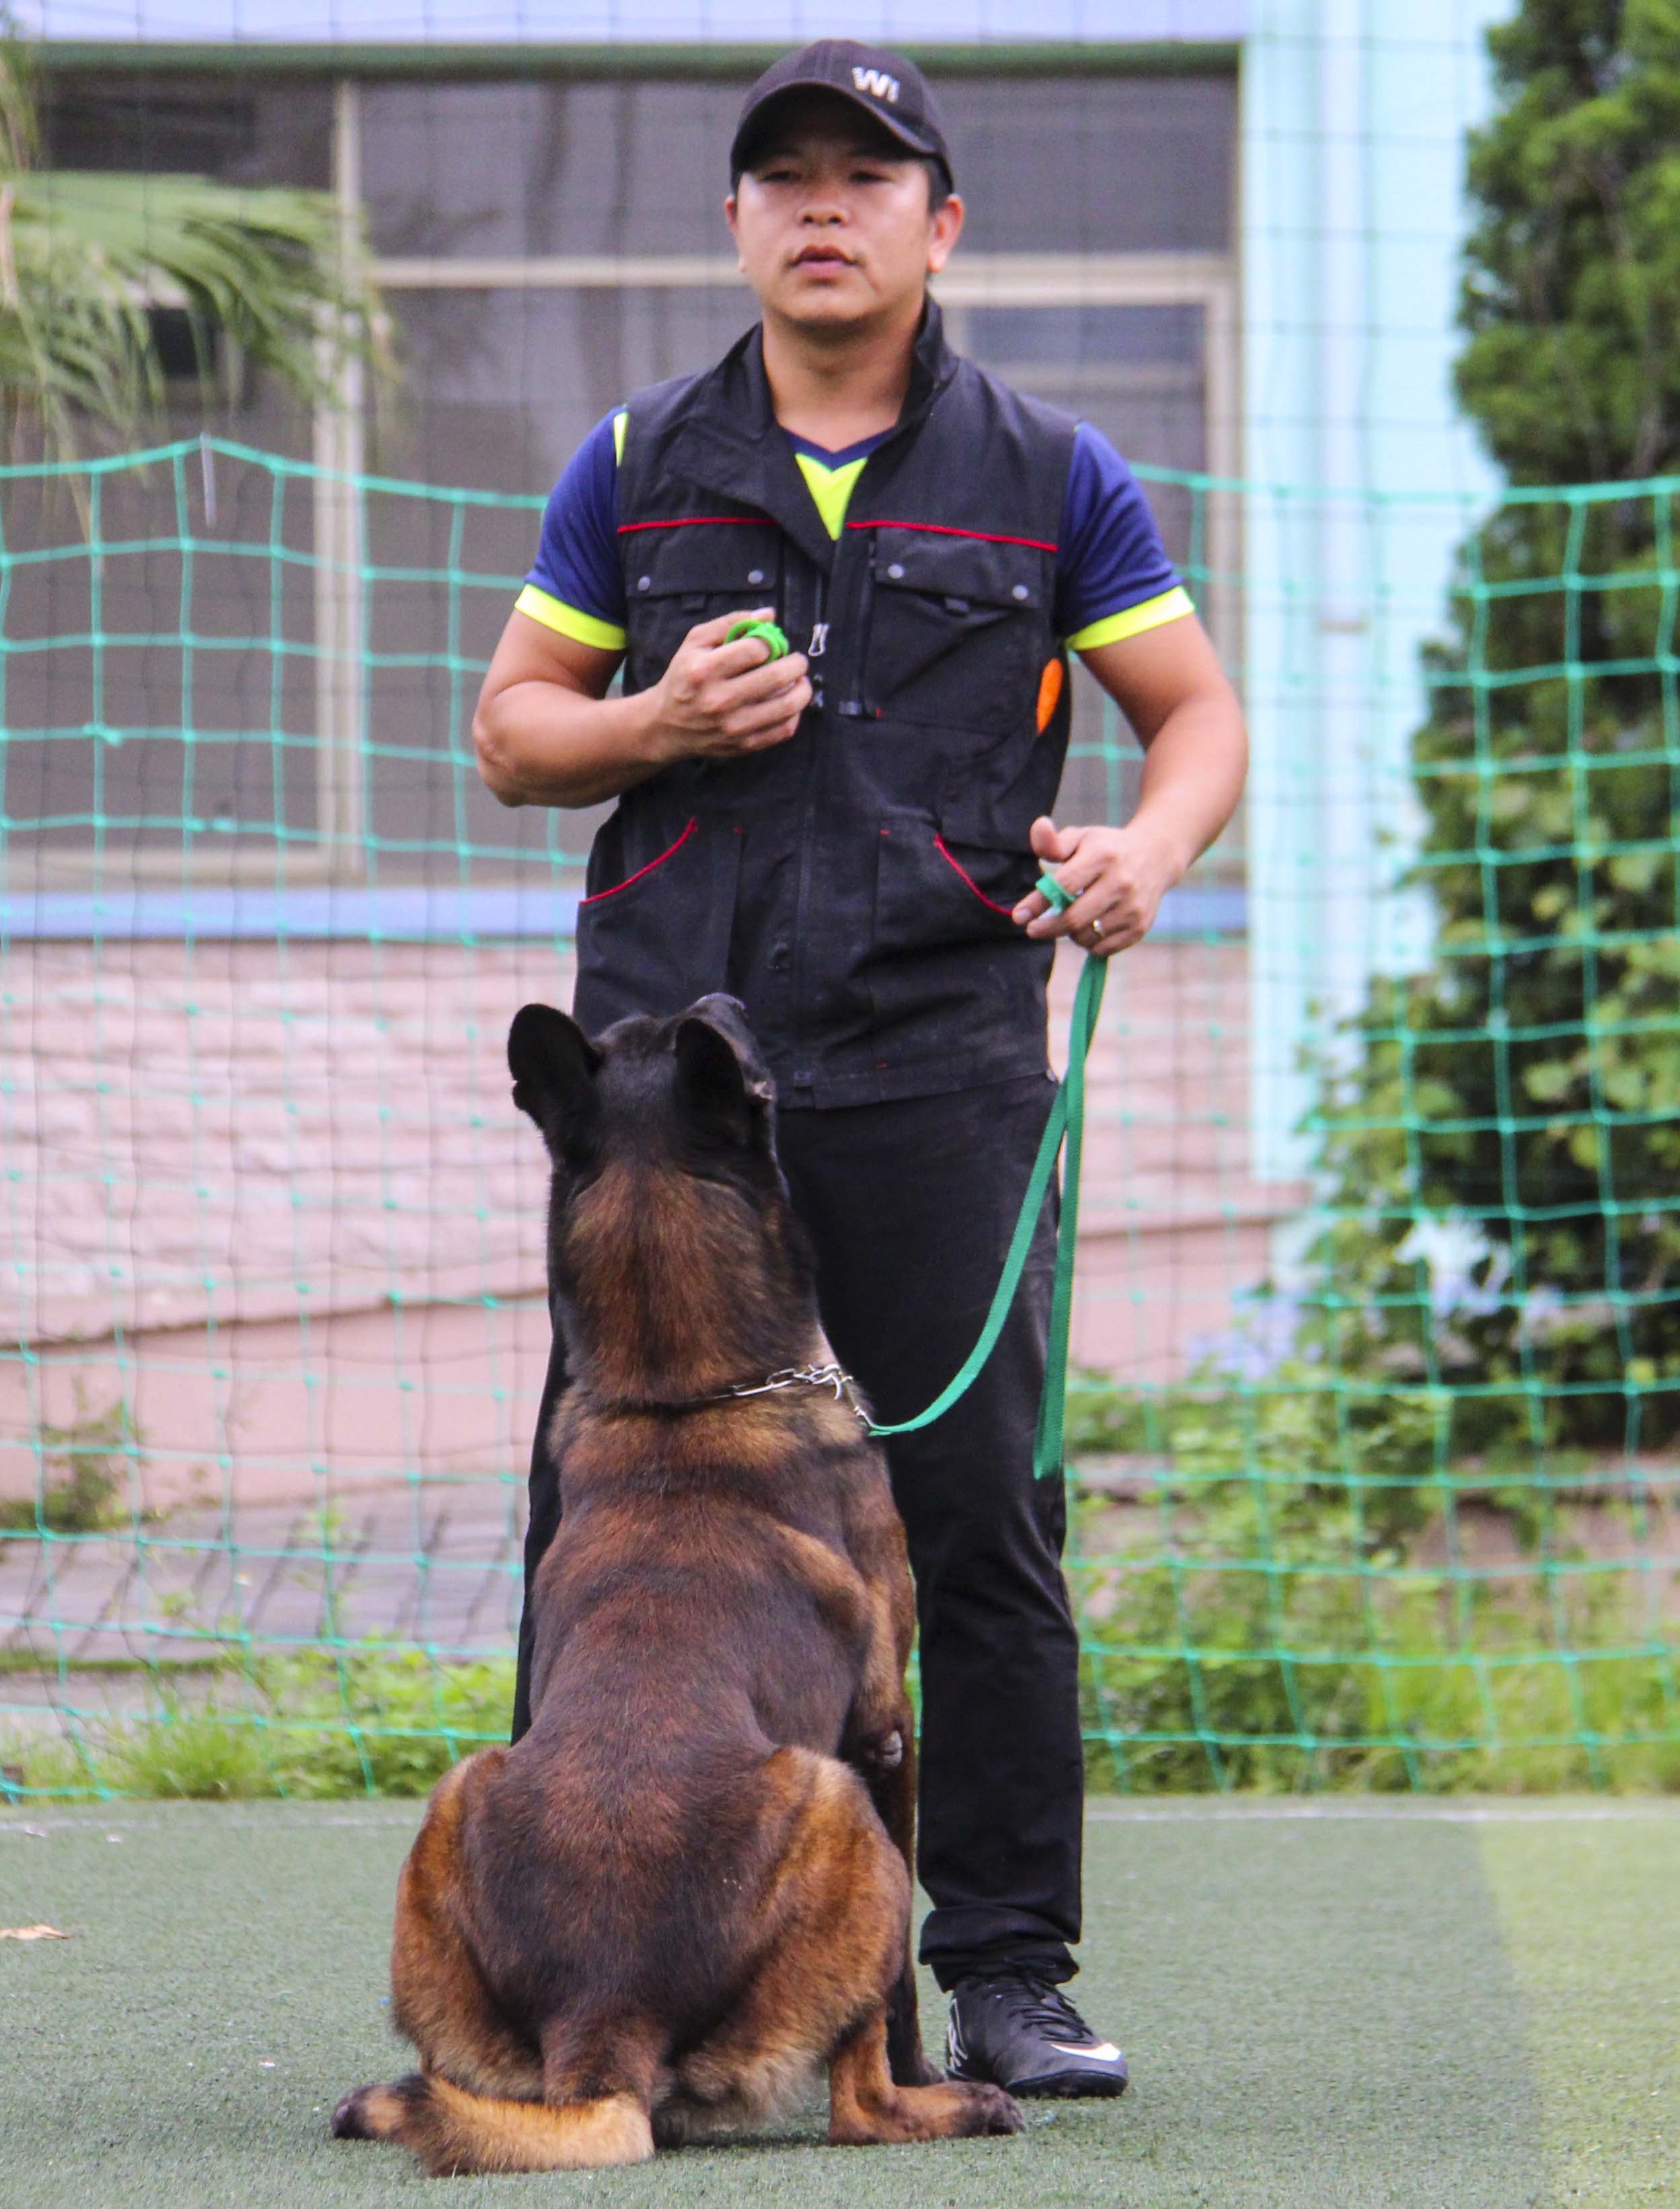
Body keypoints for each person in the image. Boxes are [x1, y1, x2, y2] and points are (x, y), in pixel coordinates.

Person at [469, 37, 1246, 2102]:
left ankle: (1001, 1974)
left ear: (938, 225)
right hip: (668, 1104)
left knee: (974, 1516)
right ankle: (570, 1962)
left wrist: (1140, 853)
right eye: (784, 175)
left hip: (934, 1067)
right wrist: (652, 723)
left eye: (868, 176)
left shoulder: (1053, 472)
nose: (825, 205)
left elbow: (1193, 720)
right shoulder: (633, 460)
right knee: (603, 1519)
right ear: (734, 223)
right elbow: (511, 732)